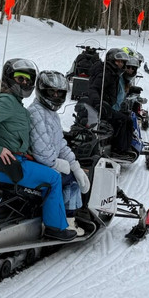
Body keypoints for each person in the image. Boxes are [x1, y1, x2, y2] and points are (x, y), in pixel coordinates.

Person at [0, 59, 76, 241]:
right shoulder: (7, 100)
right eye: (20, 78)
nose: (25, 83)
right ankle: (56, 227)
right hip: (11, 165)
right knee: (53, 178)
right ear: (9, 77)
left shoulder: (8, 100)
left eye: (29, 79)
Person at [28, 71, 91, 236]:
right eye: (51, 92)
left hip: (44, 163)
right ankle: (67, 222)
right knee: (71, 182)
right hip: (40, 165)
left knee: (76, 173)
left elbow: (60, 143)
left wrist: (74, 164)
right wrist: (63, 166)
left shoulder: (50, 113)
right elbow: (42, 152)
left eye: (59, 93)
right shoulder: (37, 113)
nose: (55, 96)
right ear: (42, 91)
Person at [80, 48, 133, 154]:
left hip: (105, 105)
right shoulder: (106, 73)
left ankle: (121, 145)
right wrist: (98, 102)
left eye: (122, 62)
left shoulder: (112, 72)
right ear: (111, 60)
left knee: (126, 117)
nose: (121, 64)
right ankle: (120, 150)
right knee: (125, 120)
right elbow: (94, 88)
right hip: (100, 107)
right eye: (118, 61)